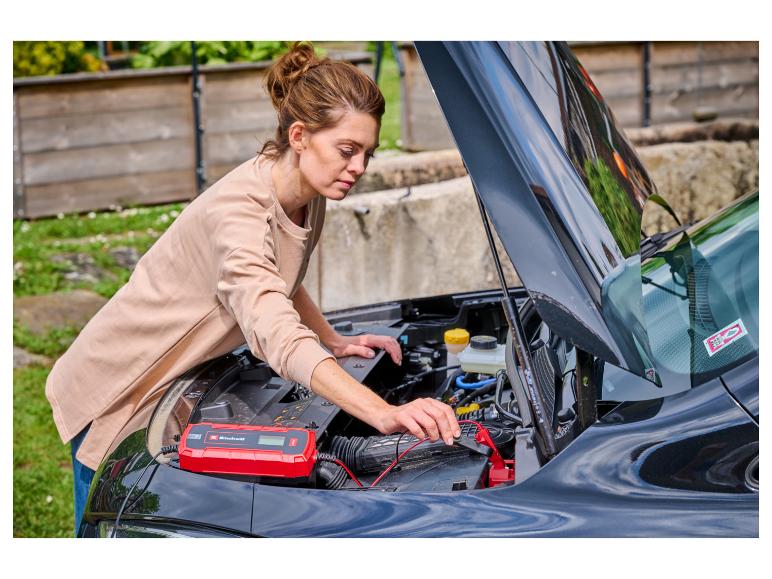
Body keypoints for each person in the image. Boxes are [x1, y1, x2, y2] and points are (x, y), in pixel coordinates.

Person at [46, 42, 461, 536]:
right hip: (122, 382)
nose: (359, 168)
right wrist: (383, 413)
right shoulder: (239, 212)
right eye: (347, 150)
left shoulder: (308, 192)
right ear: (299, 136)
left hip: (177, 380)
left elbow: (280, 280)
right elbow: (272, 328)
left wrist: (331, 340)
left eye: (366, 154)